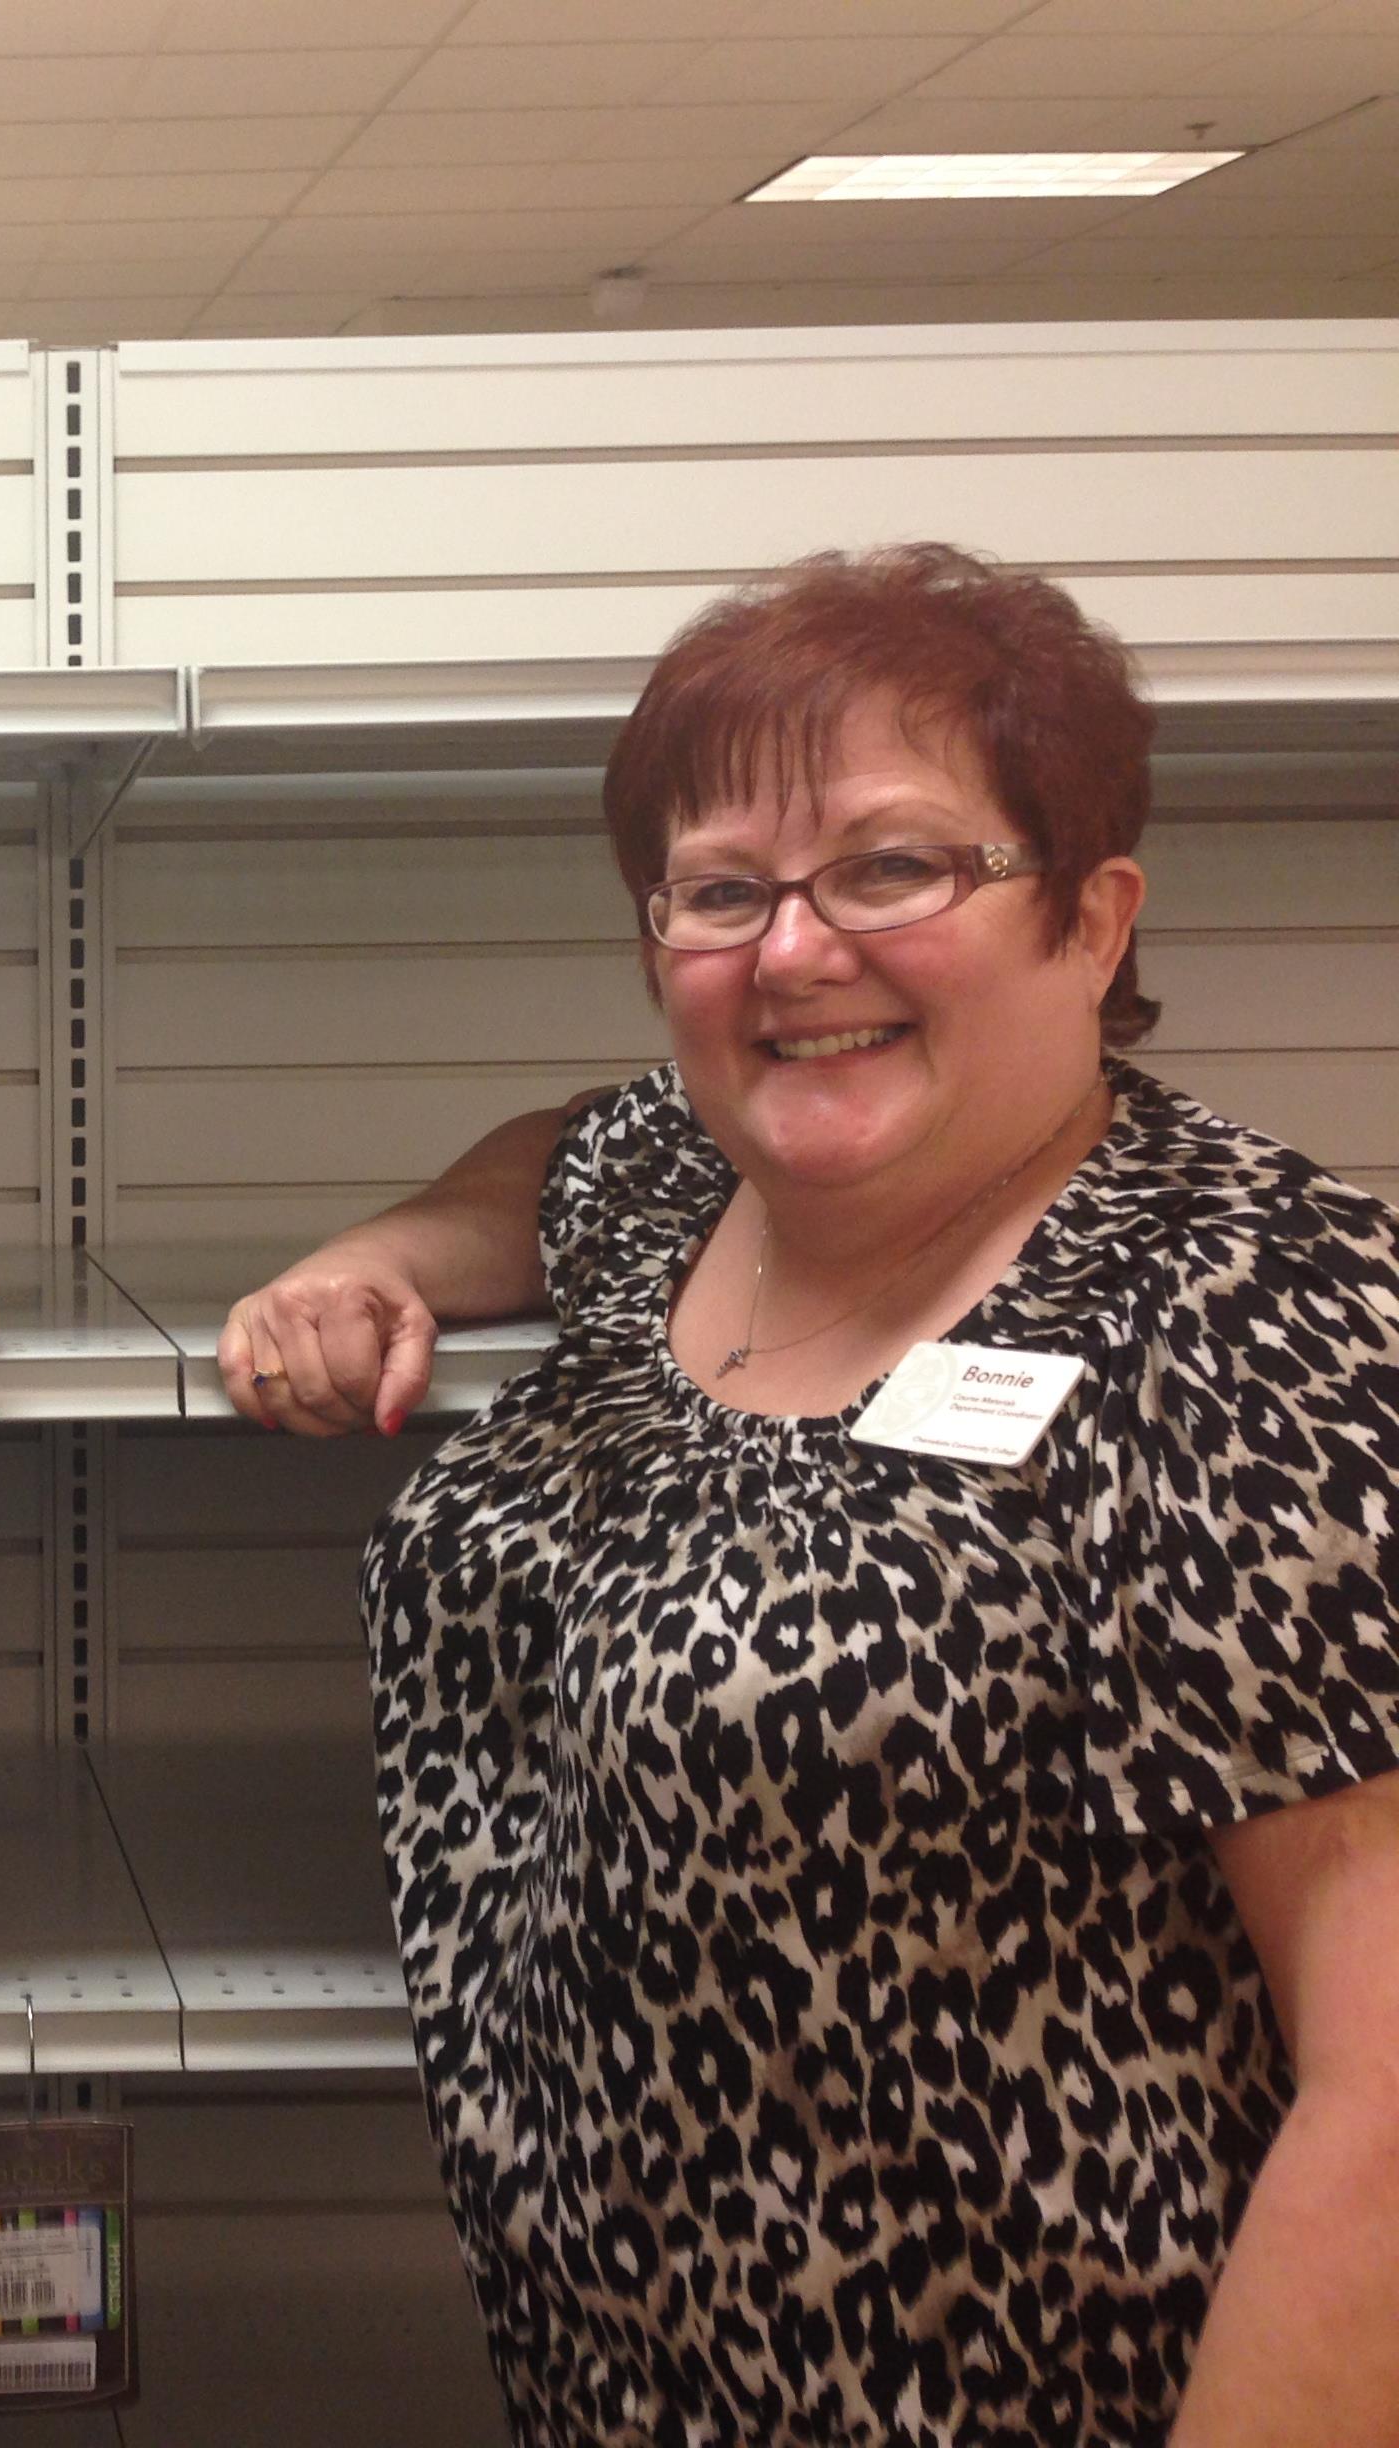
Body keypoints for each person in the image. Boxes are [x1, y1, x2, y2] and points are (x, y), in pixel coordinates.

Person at [219, 546, 1399, 2443]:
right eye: (720, 892)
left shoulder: (1259, 1321)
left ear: (1092, 922)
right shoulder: (683, 1190)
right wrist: (375, 1265)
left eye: (893, 866)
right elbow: (541, 1164)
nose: (792, 952)